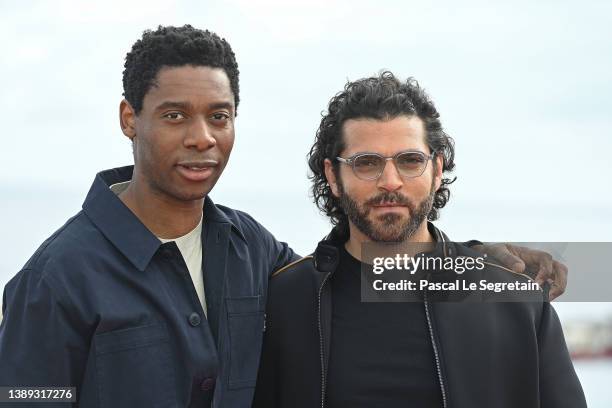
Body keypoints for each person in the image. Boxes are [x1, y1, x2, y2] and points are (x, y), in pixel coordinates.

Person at [0, 26, 569, 407]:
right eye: (175, 116)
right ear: (131, 118)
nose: (201, 138)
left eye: (218, 116)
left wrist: (477, 262)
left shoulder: (250, 248)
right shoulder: (55, 279)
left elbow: (361, 270)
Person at [253, 72, 586, 407]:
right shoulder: (285, 302)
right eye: (366, 163)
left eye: (410, 160)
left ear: (437, 170)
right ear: (333, 176)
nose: (391, 181)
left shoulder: (517, 302)